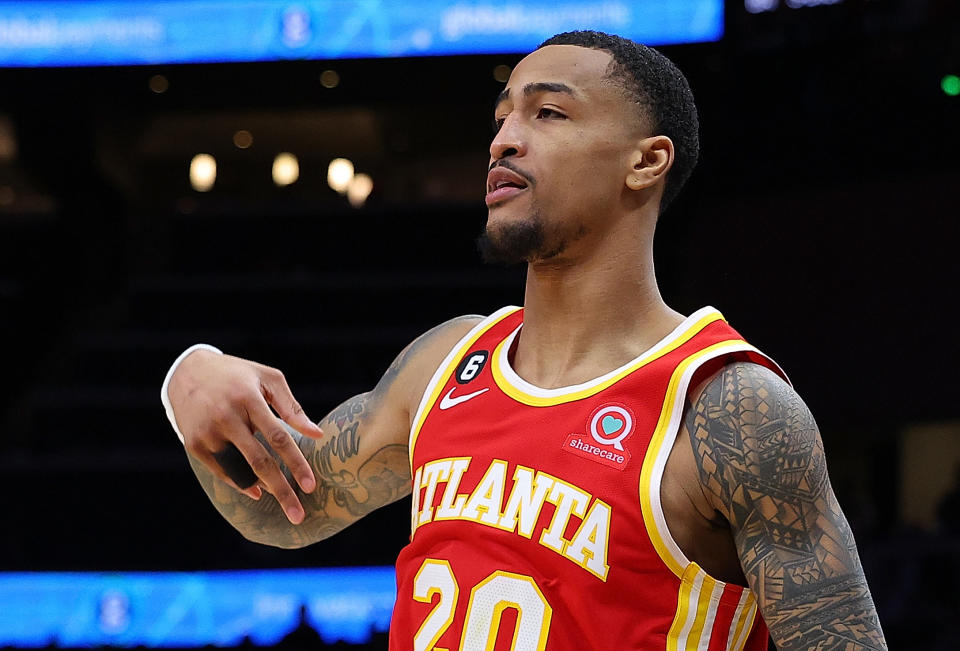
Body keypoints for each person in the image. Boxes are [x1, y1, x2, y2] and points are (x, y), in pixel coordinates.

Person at [162, 31, 886, 650]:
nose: (505, 137)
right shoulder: (443, 365)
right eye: (502, 115)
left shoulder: (727, 408)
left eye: (548, 112)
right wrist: (188, 381)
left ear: (646, 161)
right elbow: (276, 513)